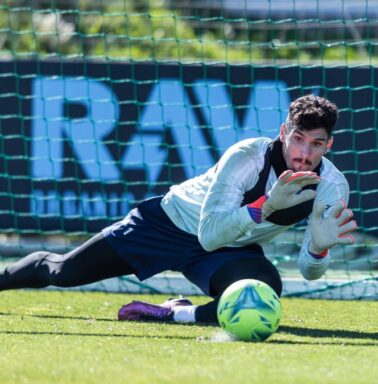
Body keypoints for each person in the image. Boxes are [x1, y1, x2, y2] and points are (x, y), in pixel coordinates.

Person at [0, 94, 357, 324]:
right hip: (168, 225)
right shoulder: (247, 157)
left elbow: (310, 272)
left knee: (264, 287)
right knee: (62, 272)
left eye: (316, 144)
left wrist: (318, 248)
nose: (304, 153)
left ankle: (173, 313)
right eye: (297, 138)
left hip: (227, 250)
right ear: (283, 132)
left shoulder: (331, 187)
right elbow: (210, 231)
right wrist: (265, 206)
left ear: (329, 145)